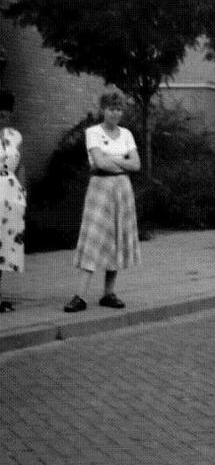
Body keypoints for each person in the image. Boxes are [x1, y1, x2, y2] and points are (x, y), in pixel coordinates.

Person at [64, 90, 141, 313]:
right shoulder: (93, 133)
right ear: (103, 110)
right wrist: (120, 160)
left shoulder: (126, 134)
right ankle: (80, 296)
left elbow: (136, 164)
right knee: (94, 238)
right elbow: (99, 163)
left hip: (122, 189)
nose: (115, 113)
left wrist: (111, 160)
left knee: (116, 238)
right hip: (100, 188)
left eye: (118, 109)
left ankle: (109, 293)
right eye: (111, 109)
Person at [0, 91, 26, 313]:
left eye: (5, 113)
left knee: (4, 247)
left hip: (10, 194)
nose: (2, 116)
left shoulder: (14, 136)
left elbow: (21, 165)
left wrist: (24, 192)